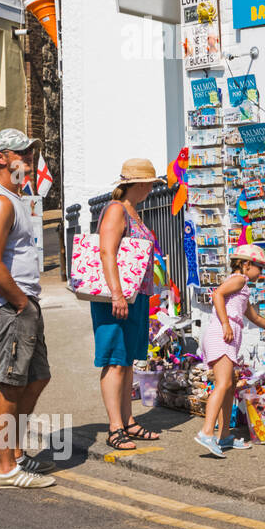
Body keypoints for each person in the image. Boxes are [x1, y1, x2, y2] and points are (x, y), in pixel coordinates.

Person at [0, 128, 56, 488]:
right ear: (1, 158)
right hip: (7, 307)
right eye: (21, 153)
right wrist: (21, 303)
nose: (29, 160)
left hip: (20, 305)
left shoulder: (13, 198)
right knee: (10, 384)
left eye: (31, 154)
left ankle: (16, 453)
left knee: (36, 378)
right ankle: (5, 468)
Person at [91, 158, 167, 451]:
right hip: (117, 298)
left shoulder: (133, 211)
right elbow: (106, 253)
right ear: (140, 184)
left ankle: (128, 421)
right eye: (150, 184)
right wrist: (116, 294)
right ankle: (115, 428)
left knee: (126, 362)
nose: (151, 189)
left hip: (135, 297)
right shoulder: (115, 210)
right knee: (115, 360)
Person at [194, 245, 265, 457]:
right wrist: (226, 324)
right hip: (222, 333)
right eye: (260, 268)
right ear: (247, 264)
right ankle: (207, 432)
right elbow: (217, 294)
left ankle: (224, 436)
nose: (261, 273)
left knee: (229, 387)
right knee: (223, 384)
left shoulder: (243, 287)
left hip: (228, 335)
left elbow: (254, 317)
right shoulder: (238, 279)